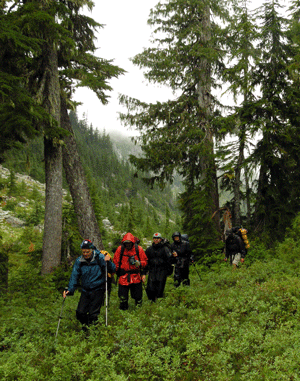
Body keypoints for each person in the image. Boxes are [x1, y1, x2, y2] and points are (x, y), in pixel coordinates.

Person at [63, 239, 116, 327]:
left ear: (91, 250)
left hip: (98, 289)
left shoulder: (100, 257)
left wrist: (108, 261)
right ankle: (87, 327)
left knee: (93, 314)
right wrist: (70, 290)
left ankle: (92, 332)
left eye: (87, 252)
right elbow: (74, 276)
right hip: (85, 290)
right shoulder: (79, 261)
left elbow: (113, 269)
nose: (85, 254)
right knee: (80, 313)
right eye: (83, 252)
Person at [113, 232, 148, 310]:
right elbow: (116, 262)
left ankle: (139, 310)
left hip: (136, 277)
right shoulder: (120, 249)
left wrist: (138, 263)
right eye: (126, 243)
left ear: (133, 242)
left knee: (138, 296)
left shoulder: (139, 249)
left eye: (129, 243)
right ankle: (123, 311)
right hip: (123, 277)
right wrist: (116, 271)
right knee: (122, 296)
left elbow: (145, 262)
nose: (128, 245)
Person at [145, 232, 173, 302]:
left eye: (158, 238)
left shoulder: (165, 249)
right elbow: (145, 260)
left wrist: (169, 270)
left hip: (162, 270)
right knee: (150, 287)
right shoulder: (149, 249)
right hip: (152, 270)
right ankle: (151, 300)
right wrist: (144, 271)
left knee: (160, 286)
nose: (156, 240)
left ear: (160, 239)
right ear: (153, 239)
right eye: (155, 238)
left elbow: (170, 259)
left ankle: (159, 301)